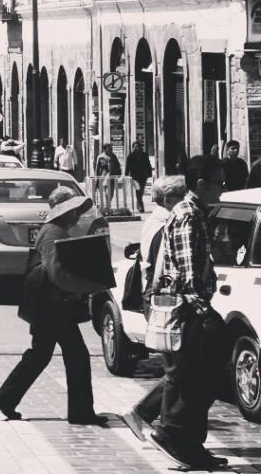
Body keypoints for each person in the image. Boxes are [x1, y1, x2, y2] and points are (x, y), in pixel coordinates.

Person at [0, 188, 109, 426]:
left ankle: (6, 398)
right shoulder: (54, 232)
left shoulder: (55, 230)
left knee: (41, 354)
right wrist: (85, 287)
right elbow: (57, 274)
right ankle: (80, 411)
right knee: (76, 356)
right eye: (74, 210)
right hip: (54, 304)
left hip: (49, 303)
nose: (77, 214)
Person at [147, 156, 228, 470]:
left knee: (197, 380)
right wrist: (204, 312)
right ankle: (174, 436)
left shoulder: (196, 213)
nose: (223, 187)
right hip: (189, 311)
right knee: (194, 379)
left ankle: (191, 445)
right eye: (218, 182)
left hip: (191, 308)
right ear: (200, 184)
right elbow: (187, 273)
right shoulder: (188, 216)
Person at [119, 175, 187, 443]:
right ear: (170, 199)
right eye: (182, 197)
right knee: (178, 367)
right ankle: (146, 415)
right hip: (164, 300)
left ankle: (156, 418)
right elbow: (163, 270)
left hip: (157, 298)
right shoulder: (164, 224)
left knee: (178, 367)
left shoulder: (157, 220)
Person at [125, 141, 153, 213]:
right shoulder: (130, 156)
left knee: (141, 191)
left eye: (138, 146)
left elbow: (148, 164)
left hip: (143, 176)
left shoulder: (144, 155)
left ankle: (139, 204)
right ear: (133, 148)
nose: (137, 148)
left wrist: (150, 173)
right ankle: (141, 206)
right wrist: (126, 175)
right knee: (138, 191)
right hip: (135, 176)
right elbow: (127, 166)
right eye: (135, 147)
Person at [95, 144, 122, 209]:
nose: (111, 150)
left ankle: (107, 205)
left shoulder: (113, 156)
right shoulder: (101, 157)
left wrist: (119, 172)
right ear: (105, 149)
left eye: (111, 149)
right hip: (103, 177)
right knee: (106, 193)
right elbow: (97, 169)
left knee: (111, 194)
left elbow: (118, 165)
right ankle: (106, 207)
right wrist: (97, 179)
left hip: (112, 177)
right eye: (109, 149)